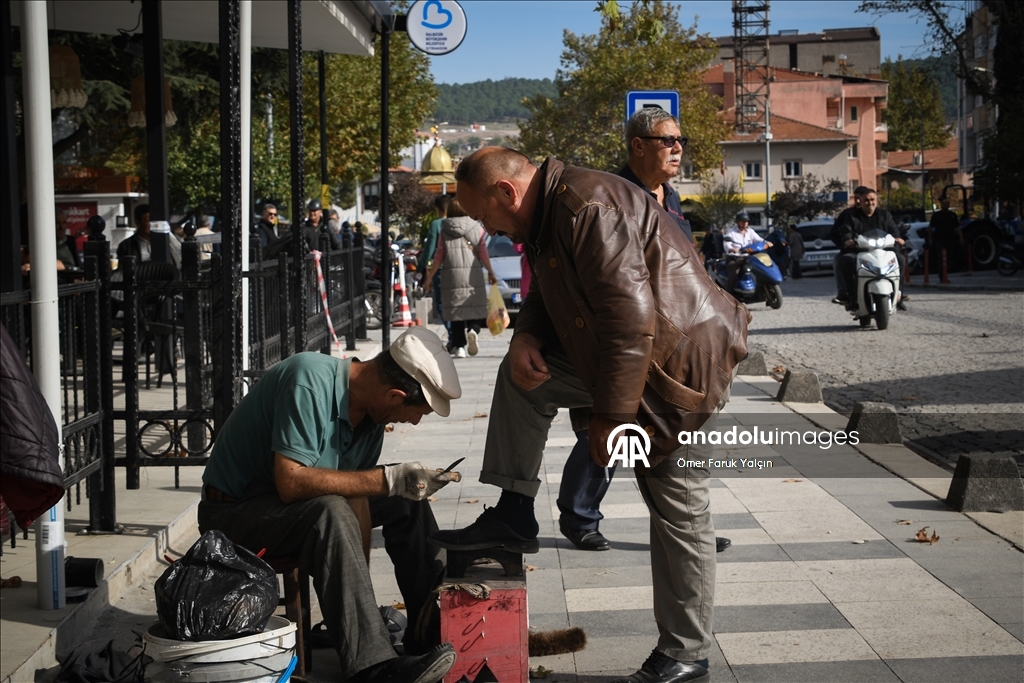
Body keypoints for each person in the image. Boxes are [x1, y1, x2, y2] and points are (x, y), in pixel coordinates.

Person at [430, 147, 749, 683]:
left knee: (676, 502)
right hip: (620, 355)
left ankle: (686, 654)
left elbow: (632, 318)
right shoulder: (547, 210)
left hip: (676, 367)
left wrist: (612, 418)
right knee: (522, 378)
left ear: (506, 192)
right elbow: (551, 289)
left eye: (483, 215)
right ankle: (514, 512)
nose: (486, 228)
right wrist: (527, 334)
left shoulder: (586, 209)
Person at [198, 327, 460, 682]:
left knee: (404, 501)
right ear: (394, 395)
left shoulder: (371, 418)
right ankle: (373, 669)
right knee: (336, 509)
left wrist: (356, 603)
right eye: (417, 413)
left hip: (292, 509)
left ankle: (425, 634)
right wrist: (387, 478)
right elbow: (290, 483)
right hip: (234, 512)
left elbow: (356, 503)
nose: (413, 421)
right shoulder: (308, 380)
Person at [555, 108, 730, 555]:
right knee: (613, 425)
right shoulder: (611, 196)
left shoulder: (671, 200)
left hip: (673, 337)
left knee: (669, 429)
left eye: (680, 139)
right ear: (637, 145)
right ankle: (579, 516)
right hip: (625, 334)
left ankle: (685, 522)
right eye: (667, 140)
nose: (678, 148)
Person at [423, 198, 497, 358]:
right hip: (473, 274)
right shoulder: (477, 228)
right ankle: (473, 330)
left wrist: (430, 277)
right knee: (474, 308)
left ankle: (460, 346)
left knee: (455, 311)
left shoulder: (445, 228)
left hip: (451, 275)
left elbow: (439, 255)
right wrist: (491, 272)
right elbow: (483, 252)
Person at [833, 188, 908, 311]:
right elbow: (846, 230)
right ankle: (852, 297)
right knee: (844, 260)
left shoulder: (885, 215)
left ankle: (898, 295)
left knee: (900, 259)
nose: (870, 203)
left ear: (877, 201)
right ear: (861, 202)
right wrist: (848, 240)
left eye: (872, 199)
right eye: (866, 200)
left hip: (884, 250)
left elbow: (893, 230)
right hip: (859, 251)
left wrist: (898, 238)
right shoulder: (852, 216)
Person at [418, 195, 452, 336]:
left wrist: (421, 268)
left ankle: (451, 333)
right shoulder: (459, 222)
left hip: (441, 269)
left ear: (437, 209)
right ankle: (460, 336)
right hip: (458, 268)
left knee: (441, 303)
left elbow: (430, 249)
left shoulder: (437, 225)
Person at [724, 211, 770, 291]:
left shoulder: (750, 232)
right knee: (733, 275)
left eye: (746, 221)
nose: (745, 223)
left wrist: (767, 243)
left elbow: (758, 239)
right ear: (738, 222)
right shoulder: (731, 232)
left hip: (748, 258)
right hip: (735, 259)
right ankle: (728, 296)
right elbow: (726, 244)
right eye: (743, 222)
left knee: (761, 270)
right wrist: (731, 249)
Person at [928, 196, 963, 272]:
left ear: (949, 204)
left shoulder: (953, 215)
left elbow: (957, 227)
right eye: (943, 203)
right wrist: (930, 238)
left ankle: (947, 270)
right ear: (941, 204)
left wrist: (961, 238)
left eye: (947, 203)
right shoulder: (937, 215)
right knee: (940, 256)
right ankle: (941, 273)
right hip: (939, 239)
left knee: (949, 256)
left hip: (950, 239)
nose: (945, 205)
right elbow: (930, 227)